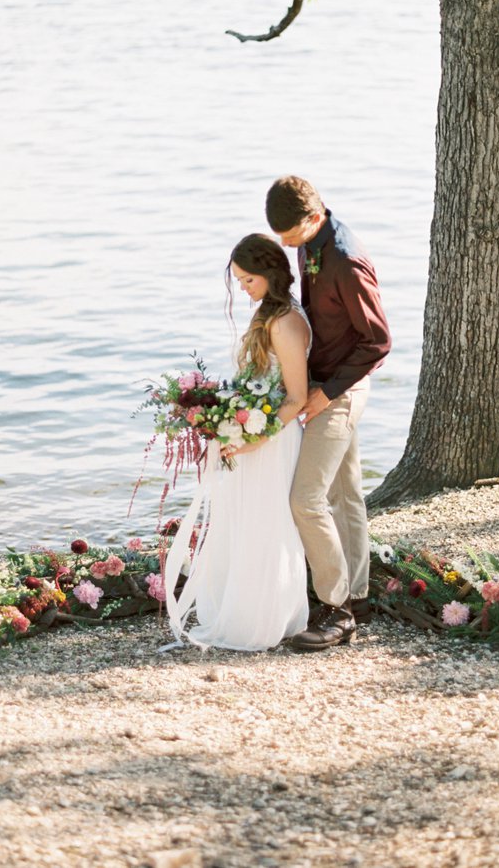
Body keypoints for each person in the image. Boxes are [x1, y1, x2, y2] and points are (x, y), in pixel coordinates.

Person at [163, 234, 311, 651]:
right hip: (251, 437)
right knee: (242, 522)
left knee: (267, 524)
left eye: (248, 280)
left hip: (272, 441)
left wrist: (253, 437)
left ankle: (265, 617)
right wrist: (224, 413)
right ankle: (240, 607)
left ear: (270, 273)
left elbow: (296, 398)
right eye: (239, 281)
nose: (243, 289)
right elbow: (256, 383)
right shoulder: (268, 314)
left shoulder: (286, 323)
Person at [265, 176, 391, 652]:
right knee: (345, 493)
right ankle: (357, 595)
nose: (286, 245)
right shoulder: (309, 239)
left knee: (306, 499)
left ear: (314, 218)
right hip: (320, 383)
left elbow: (377, 341)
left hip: (344, 387)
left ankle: (336, 611)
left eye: (290, 236)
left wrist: (326, 393)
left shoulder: (346, 260)